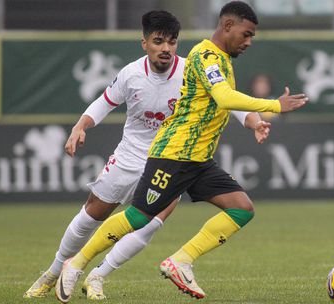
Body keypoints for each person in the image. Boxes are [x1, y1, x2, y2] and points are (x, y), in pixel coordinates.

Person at [56, 0, 308, 301]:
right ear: (227, 26)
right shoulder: (204, 55)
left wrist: (252, 120)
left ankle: (182, 260)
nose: (249, 42)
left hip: (199, 159)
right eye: (247, 34)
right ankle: (76, 264)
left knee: (241, 208)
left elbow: (226, 101)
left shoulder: (222, 61)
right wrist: (274, 106)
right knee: (138, 217)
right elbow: (224, 98)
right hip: (173, 154)